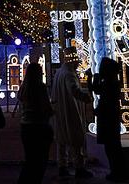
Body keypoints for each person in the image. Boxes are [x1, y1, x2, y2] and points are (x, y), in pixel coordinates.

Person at [52, 48, 92, 179]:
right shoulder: (69, 74)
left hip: (60, 111)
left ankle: (62, 166)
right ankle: (79, 167)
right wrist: (86, 97)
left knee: (61, 140)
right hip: (70, 110)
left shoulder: (59, 72)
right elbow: (74, 90)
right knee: (76, 139)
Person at [18, 62, 54, 184]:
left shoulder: (23, 88)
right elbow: (46, 108)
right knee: (41, 160)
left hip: (26, 127)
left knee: (30, 159)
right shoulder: (41, 87)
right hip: (40, 126)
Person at [92, 57, 125, 181]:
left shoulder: (109, 83)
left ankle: (116, 172)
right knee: (114, 146)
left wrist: (95, 77)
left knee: (111, 147)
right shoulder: (113, 82)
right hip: (111, 117)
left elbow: (96, 90)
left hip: (108, 119)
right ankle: (117, 171)